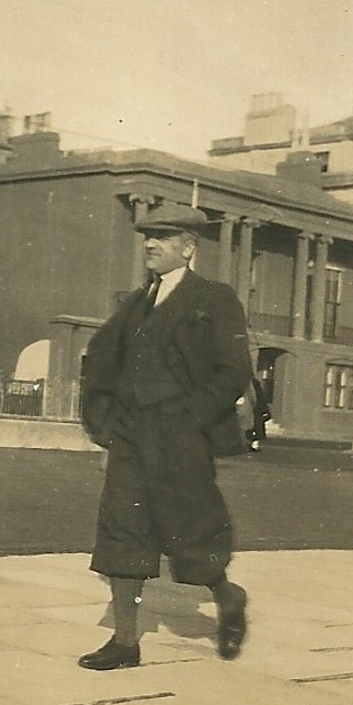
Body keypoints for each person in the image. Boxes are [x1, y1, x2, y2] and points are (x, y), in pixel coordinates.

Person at [79, 203, 253, 670]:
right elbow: (99, 360)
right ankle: (125, 643)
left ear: (189, 247)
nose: (150, 244)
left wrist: (190, 417)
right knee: (122, 533)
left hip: (182, 441)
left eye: (162, 237)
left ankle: (227, 595)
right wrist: (106, 424)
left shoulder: (214, 298)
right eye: (147, 236)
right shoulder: (135, 303)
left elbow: (234, 370)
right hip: (132, 438)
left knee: (190, 533)